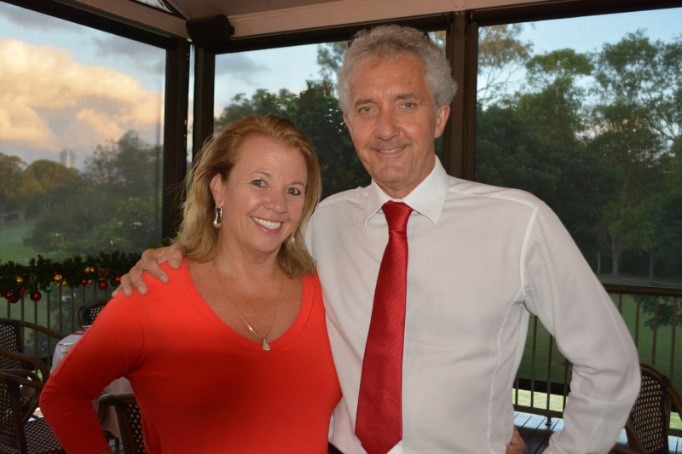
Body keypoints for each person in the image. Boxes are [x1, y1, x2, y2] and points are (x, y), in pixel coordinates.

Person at [118, 25, 640, 453]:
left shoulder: (519, 222)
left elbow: (610, 365)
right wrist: (180, 261)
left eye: (406, 104)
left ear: (440, 116)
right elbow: (245, 263)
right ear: (349, 123)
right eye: (367, 109)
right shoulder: (323, 222)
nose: (386, 129)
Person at [40, 115, 341, 453]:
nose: (278, 205)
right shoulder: (156, 289)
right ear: (219, 190)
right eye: (259, 182)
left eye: (293, 190)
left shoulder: (326, 290)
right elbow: (63, 394)